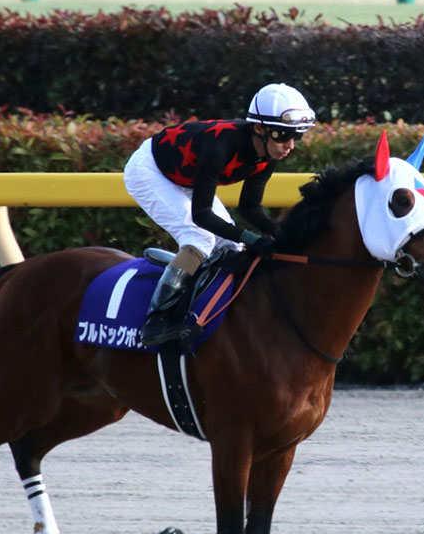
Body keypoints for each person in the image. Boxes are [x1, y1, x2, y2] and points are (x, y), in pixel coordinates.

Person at [123, 82, 316, 346]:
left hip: (186, 176)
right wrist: (254, 239)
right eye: (283, 136)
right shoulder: (220, 146)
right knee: (198, 238)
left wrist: (279, 234)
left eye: (296, 136)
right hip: (151, 170)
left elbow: (249, 207)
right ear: (259, 128)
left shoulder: (268, 154)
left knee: (231, 246)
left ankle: (214, 313)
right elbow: (201, 215)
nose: (290, 146)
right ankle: (156, 322)